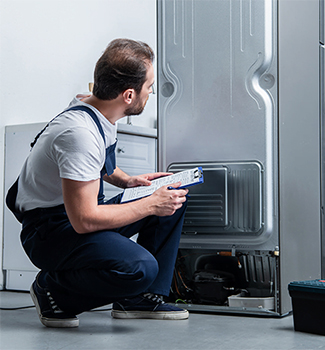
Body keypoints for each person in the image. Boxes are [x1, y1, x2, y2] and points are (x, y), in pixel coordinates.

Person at [8, 38, 189, 328]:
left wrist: (129, 181)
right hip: (50, 231)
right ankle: (53, 291)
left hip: (74, 215)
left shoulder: (101, 111)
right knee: (140, 267)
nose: (151, 91)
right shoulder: (79, 134)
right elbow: (85, 220)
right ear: (129, 95)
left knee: (172, 196)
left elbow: (99, 164)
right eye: (150, 86)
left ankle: (139, 299)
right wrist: (149, 204)